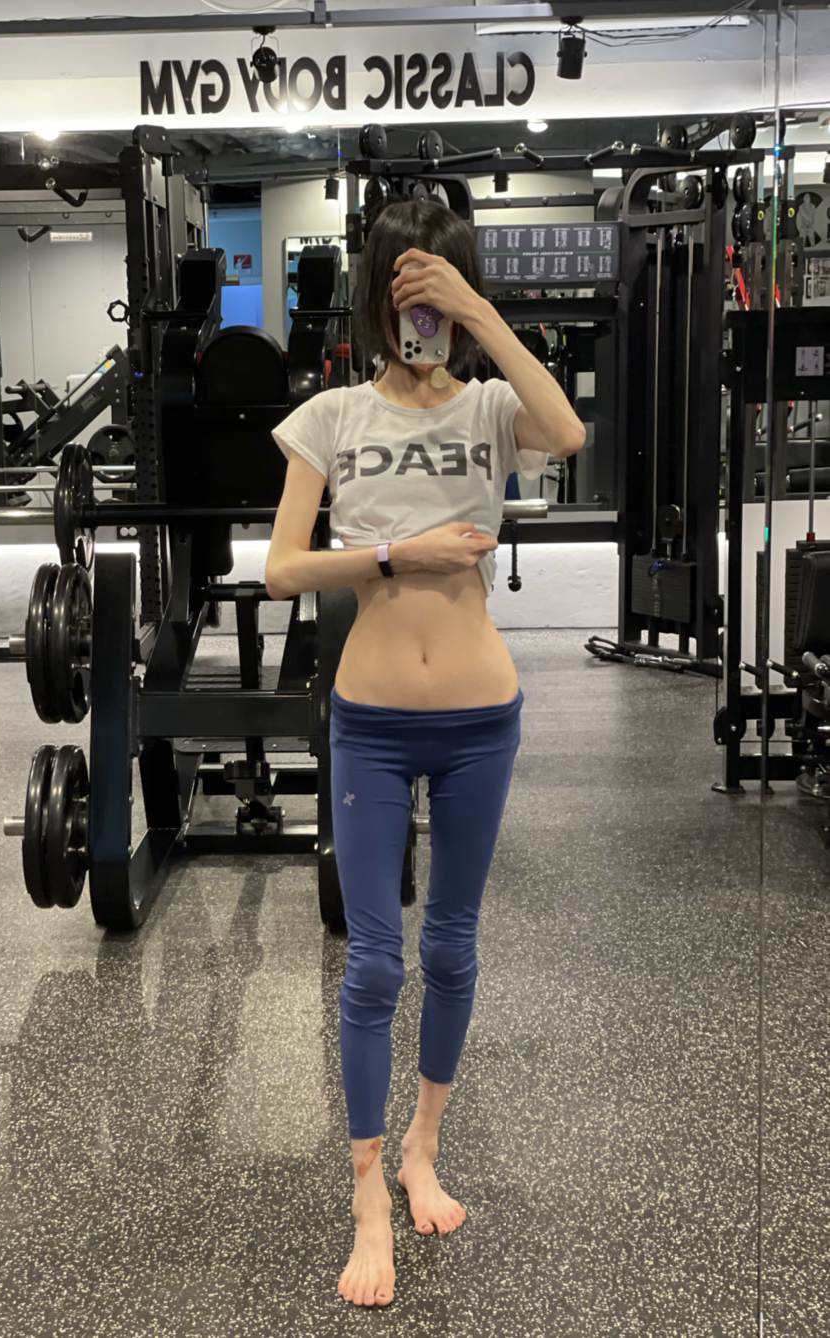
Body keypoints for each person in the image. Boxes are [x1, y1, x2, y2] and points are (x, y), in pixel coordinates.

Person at [267, 198, 586, 1308]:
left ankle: (422, 1151)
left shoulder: (493, 406)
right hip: (368, 716)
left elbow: (569, 434)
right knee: (373, 963)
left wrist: (480, 312)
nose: (425, 323)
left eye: (439, 298)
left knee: (450, 949)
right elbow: (281, 568)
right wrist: (396, 553)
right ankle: (366, 1196)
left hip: (478, 719)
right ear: (376, 302)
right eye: (410, 299)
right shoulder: (331, 416)